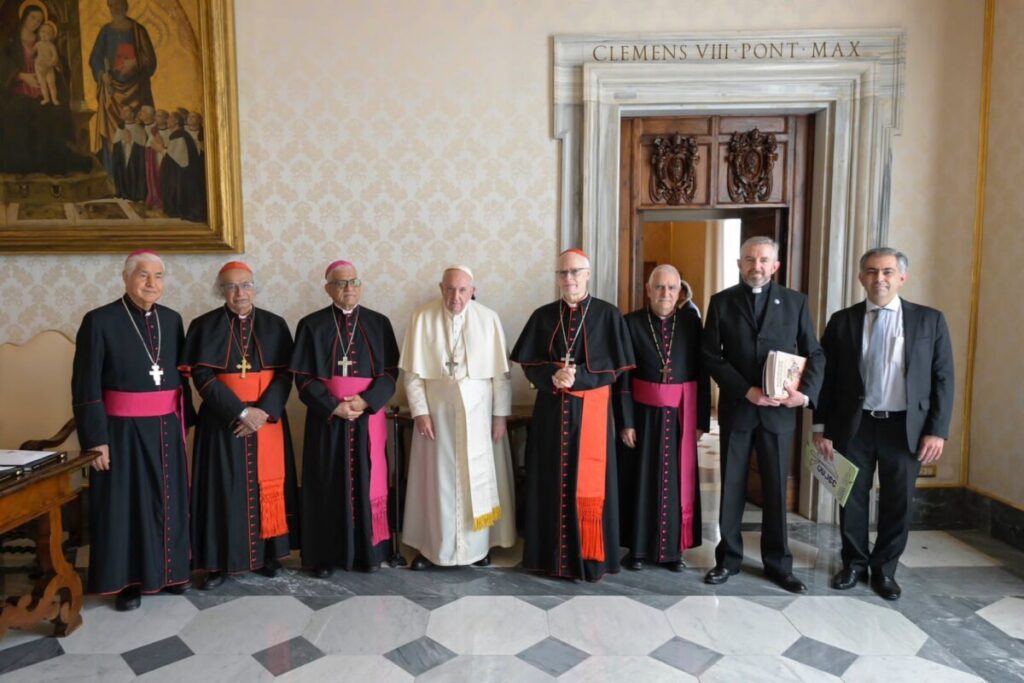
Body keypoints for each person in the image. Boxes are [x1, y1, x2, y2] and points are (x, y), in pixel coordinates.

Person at [813, 248, 954, 600]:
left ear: (901, 277)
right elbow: (826, 379)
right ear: (861, 278)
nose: (880, 279)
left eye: (888, 272)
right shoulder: (841, 321)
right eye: (872, 272)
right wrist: (821, 428)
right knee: (851, 500)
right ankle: (854, 564)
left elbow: (943, 379)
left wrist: (937, 430)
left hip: (905, 428)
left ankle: (885, 570)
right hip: (854, 427)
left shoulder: (929, 321)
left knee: (898, 502)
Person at [71, 250, 195, 611]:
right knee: (124, 506)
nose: (152, 283)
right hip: (120, 431)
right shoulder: (99, 321)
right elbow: (85, 386)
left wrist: (185, 424)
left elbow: (179, 379)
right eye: (143, 276)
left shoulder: (172, 320)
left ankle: (171, 572)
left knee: (168, 501)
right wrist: (96, 441)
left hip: (165, 428)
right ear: (125, 278)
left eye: (159, 276)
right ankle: (126, 582)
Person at [702, 236, 824, 593]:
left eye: (764, 260)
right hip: (739, 409)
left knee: (774, 489)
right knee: (733, 487)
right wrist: (747, 390)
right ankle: (727, 559)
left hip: (780, 413)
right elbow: (711, 356)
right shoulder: (721, 302)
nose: (756, 266)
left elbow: (814, 353)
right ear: (739, 264)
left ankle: (778, 565)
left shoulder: (796, 302)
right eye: (750, 259)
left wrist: (803, 395)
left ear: (775, 266)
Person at [511, 248, 635, 581]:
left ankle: (590, 559)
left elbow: (615, 368)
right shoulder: (543, 315)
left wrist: (578, 378)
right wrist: (551, 375)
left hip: (591, 413)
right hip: (551, 412)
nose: (569, 279)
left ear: (588, 274)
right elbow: (528, 362)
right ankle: (545, 558)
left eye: (575, 272)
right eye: (563, 273)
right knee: (548, 480)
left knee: (590, 482)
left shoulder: (608, 315)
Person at [183, 262, 300, 590]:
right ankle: (218, 563)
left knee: (268, 487)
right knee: (222, 490)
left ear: (254, 287)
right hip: (223, 421)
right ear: (221, 291)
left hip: (267, 421)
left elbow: (284, 374)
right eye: (232, 287)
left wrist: (262, 412)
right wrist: (240, 412)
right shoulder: (204, 326)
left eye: (246, 285)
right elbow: (202, 376)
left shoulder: (275, 325)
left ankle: (268, 555)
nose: (240, 293)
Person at [400, 266, 516, 570]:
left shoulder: (488, 318)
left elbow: (501, 376)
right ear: (441, 288)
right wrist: (420, 412)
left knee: (477, 480)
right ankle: (432, 548)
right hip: (436, 417)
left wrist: (500, 416)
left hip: (479, 416)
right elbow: (412, 374)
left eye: (463, 290)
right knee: (437, 482)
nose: (456, 297)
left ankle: (479, 548)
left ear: (472, 290)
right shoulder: (422, 317)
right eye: (450, 289)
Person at [291, 260, 399, 576]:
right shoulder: (311, 325)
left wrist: (367, 401)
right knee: (326, 482)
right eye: (340, 283)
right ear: (328, 289)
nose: (348, 288)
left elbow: (391, 373)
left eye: (353, 281)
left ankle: (369, 553)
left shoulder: (379, 323)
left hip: (368, 418)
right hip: (327, 419)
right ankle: (325, 557)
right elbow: (303, 377)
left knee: (369, 483)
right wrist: (333, 406)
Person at [616, 265, 710, 572]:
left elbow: (702, 372)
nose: (665, 294)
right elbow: (623, 377)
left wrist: (701, 421)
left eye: (671, 288)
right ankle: (638, 550)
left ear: (680, 291)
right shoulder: (630, 323)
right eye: (659, 287)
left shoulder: (691, 324)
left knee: (675, 483)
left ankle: (672, 552)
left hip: (681, 416)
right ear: (648, 289)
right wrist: (626, 421)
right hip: (643, 416)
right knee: (640, 481)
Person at [0, 3, 91, 174]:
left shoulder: (44, 39)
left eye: (39, 20)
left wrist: (56, 64)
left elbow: (61, 64)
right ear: (24, 17)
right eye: (32, 18)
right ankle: (21, 165)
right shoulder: (10, 41)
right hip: (18, 91)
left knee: (51, 113)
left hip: (43, 91)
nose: (35, 22)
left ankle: (50, 165)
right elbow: (2, 65)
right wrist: (21, 76)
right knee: (15, 111)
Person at [89, 0, 157, 181]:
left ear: (125, 6)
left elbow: (150, 61)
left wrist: (134, 63)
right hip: (112, 92)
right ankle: (114, 179)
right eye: (111, 5)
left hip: (136, 90)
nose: (115, 8)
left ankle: (138, 181)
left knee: (137, 135)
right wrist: (102, 74)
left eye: (118, 4)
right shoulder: (105, 31)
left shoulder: (138, 30)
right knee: (112, 137)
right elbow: (95, 59)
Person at [32, 21, 58, 106]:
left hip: (49, 67)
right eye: (43, 31)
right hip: (39, 67)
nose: (45, 34)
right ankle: (46, 98)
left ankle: (54, 99)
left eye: (48, 33)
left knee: (51, 83)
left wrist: (52, 62)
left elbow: (55, 57)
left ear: (51, 36)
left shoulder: (51, 46)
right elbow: (31, 53)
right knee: (43, 84)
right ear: (39, 33)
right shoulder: (37, 44)